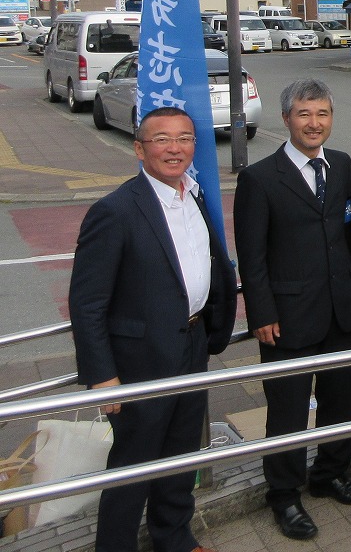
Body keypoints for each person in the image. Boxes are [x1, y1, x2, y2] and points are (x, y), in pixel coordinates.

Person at [68, 107, 237, 552]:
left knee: (181, 455)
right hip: (139, 361)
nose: (174, 148)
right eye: (162, 139)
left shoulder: (194, 195)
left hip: (192, 344)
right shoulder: (115, 211)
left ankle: (173, 537)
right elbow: (87, 303)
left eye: (184, 138)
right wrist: (103, 377)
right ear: (140, 149)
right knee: (133, 466)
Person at [234, 80, 351, 540]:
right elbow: (252, 256)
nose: (314, 123)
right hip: (287, 316)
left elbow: (348, 231)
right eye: (304, 114)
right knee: (287, 411)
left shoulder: (342, 164)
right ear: (286, 118)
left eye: (322, 113)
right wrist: (261, 313)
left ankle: (330, 473)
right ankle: (284, 495)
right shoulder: (259, 179)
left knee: (339, 399)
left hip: (340, 309)